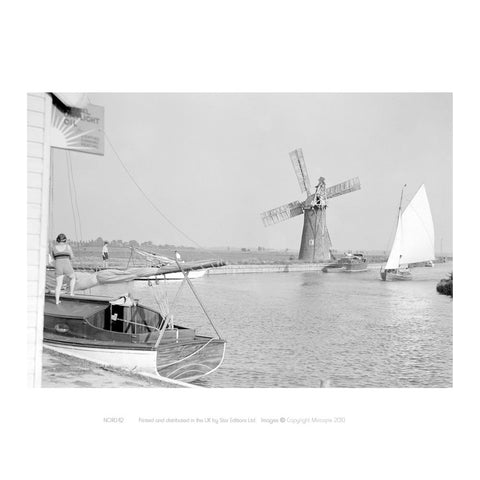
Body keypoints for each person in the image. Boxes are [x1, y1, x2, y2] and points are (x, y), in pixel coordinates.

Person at [51, 233, 75, 304]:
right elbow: (72, 257)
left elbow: (53, 258)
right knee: (73, 277)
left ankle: (57, 301)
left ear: (58, 240)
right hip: (67, 265)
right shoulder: (68, 247)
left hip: (58, 266)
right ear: (65, 240)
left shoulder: (54, 248)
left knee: (58, 285)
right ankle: (71, 293)